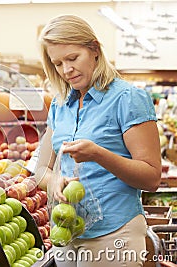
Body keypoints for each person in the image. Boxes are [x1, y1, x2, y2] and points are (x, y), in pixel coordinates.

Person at [34, 15, 161, 267]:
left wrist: (99, 154)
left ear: (94, 49)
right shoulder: (60, 105)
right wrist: (55, 180)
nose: (66, 70)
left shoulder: (128, 98)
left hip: (115, 232)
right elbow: (40, 169)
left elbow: (151, 177)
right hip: (68, 230)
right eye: (57, 63)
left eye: (72, 58)